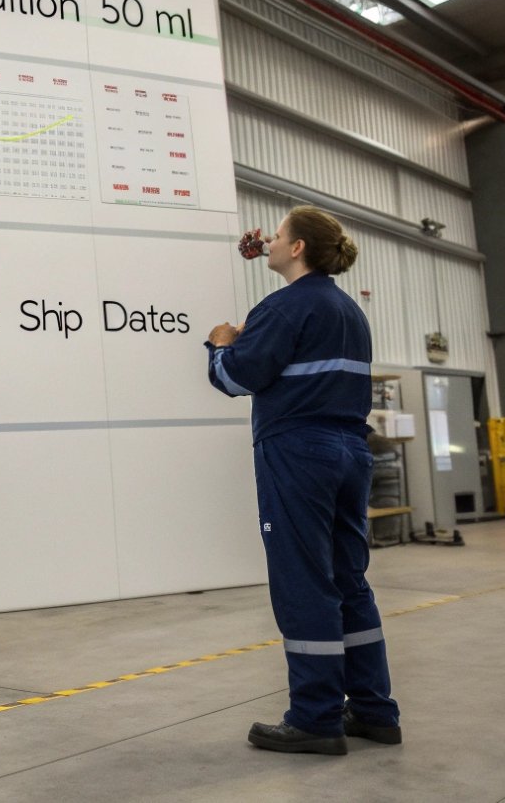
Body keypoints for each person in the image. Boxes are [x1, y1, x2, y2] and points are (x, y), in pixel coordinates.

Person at [204, 206, 401, 756]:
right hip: (349, 452)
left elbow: (237, 378)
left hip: (298, 451)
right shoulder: (347, 310)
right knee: (348, 580)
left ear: (297, 249)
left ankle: (315, 718)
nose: (268, 239)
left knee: (304, 581)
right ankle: (374, 710)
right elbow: (296, 355)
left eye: (279, 235)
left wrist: (220, 343)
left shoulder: (284, 306)